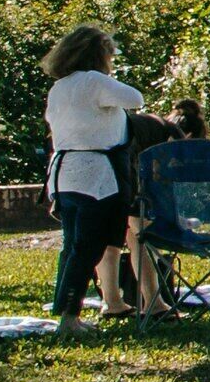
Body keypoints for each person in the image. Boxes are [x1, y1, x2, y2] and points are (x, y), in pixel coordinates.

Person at [42, 26, 150, 326]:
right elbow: (135, 98)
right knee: (88, 247)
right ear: (99, 54)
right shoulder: (94, 81)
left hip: (64, 174)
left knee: (72, 245)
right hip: (96, 175)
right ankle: (69, 317)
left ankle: (64, 306)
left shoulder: (59, 87)